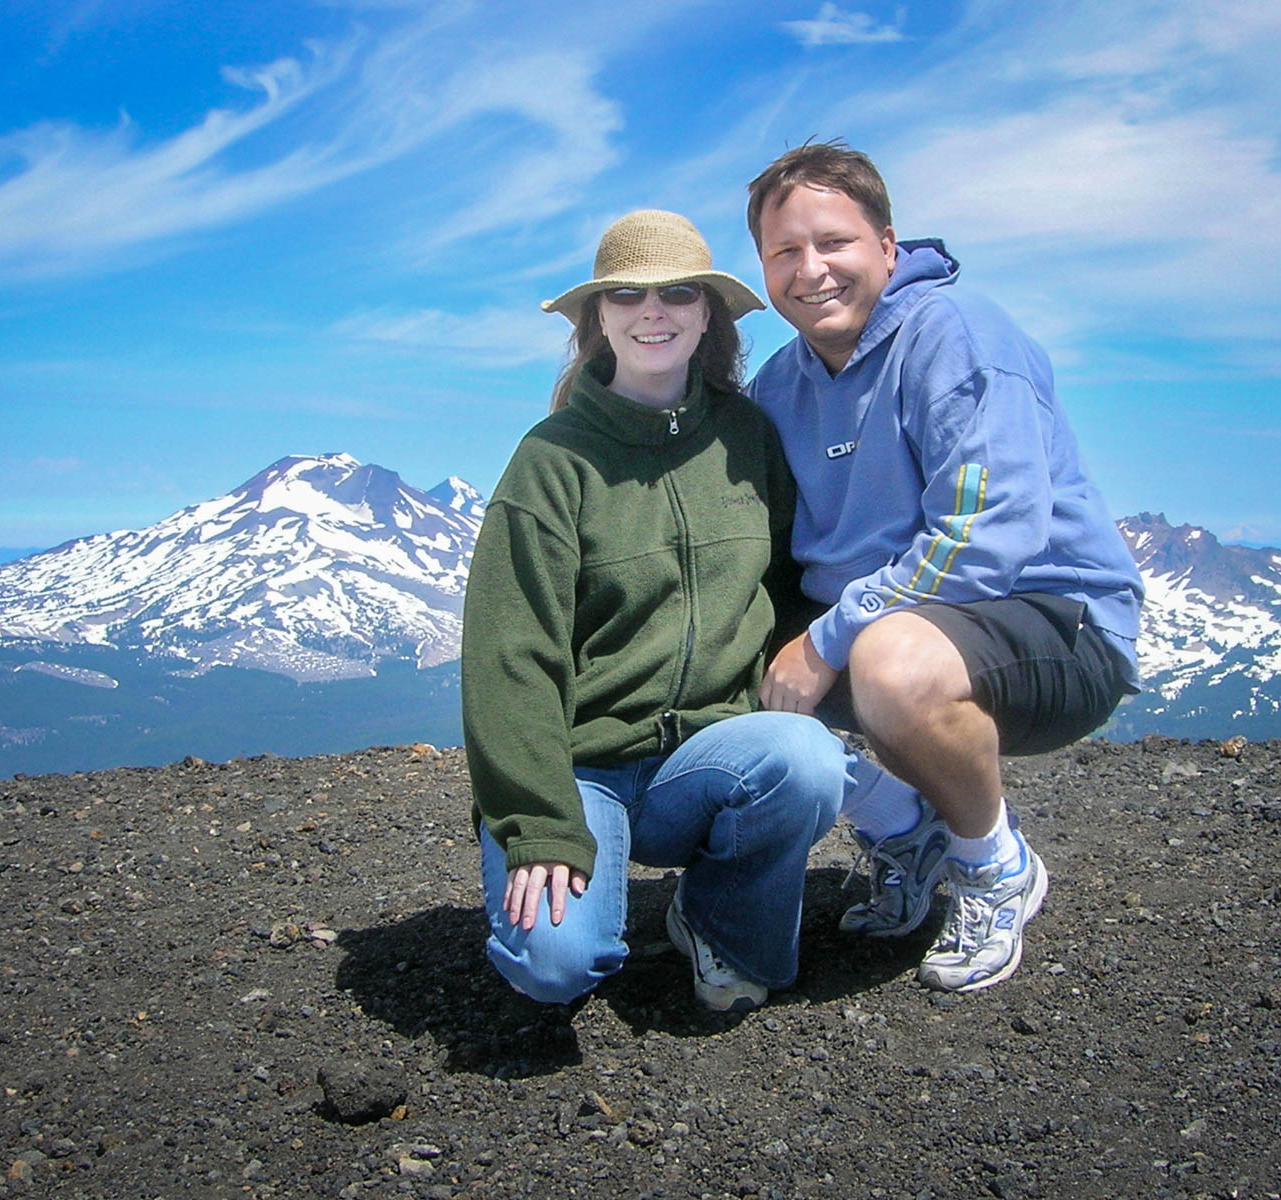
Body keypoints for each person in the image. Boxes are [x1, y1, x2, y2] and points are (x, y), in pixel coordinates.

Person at [744, 141, 1144, 993]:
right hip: (906, 622)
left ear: (888, 247)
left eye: (835, 242)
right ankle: (906, 827)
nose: (811, 269)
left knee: (890, 661)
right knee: (709, 640)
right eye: (785, 252)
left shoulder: (956, 337)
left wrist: (827, 641)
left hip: (1054, 624)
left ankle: (995, 865)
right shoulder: (781, 386)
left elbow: (988, 533)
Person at [461, 209, 853, 1013]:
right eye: (627, 295)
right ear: (596, 319)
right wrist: (537, 821)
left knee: (807, 759)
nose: (653, 313)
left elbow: (785, 590)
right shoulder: (551, 462)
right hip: (581, 770)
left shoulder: (749, 438)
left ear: (706, 313)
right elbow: (510, 657)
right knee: (556, 967)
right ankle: (561, 879)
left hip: (705, 763)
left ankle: (720, 924)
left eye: (677, 292)